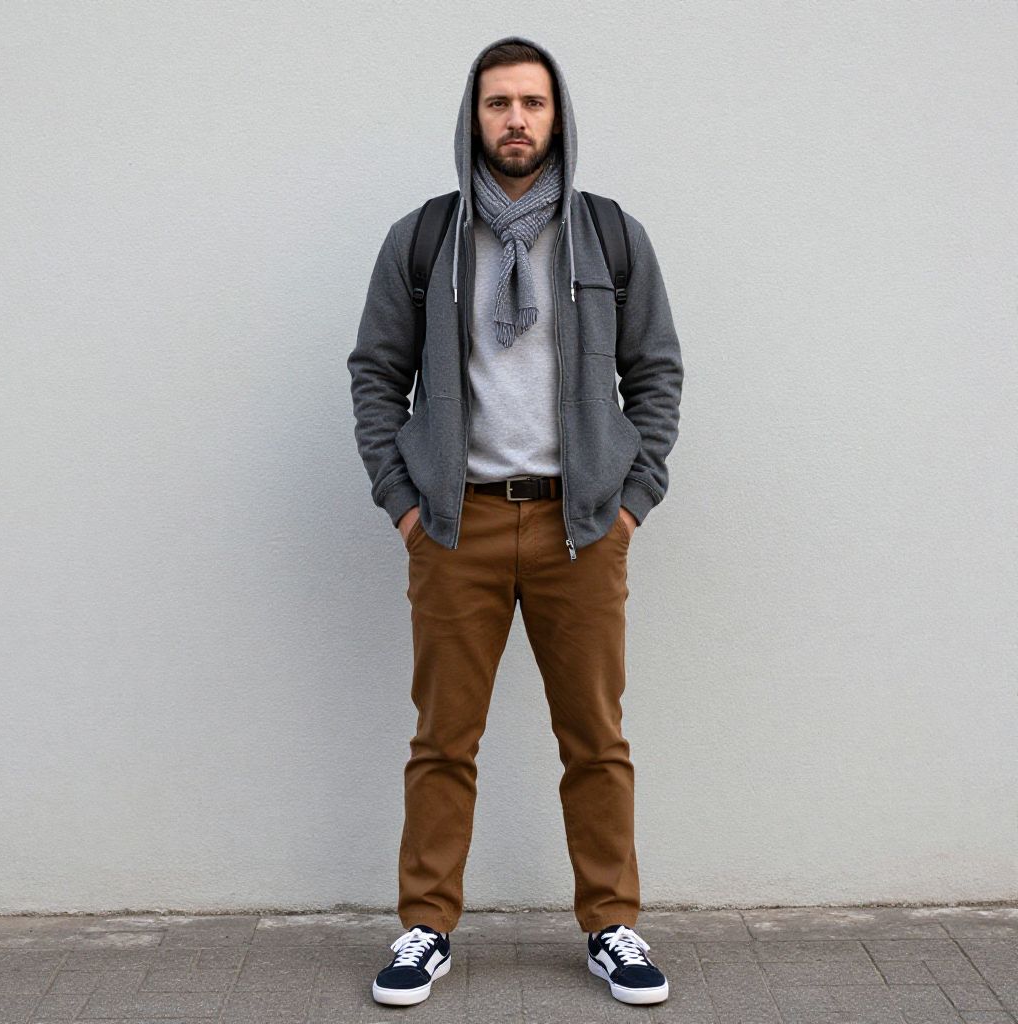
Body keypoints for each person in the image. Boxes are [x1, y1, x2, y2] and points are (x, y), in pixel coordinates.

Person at [347, 35, 683, 1007]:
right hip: (458, 529)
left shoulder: (608, 236)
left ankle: (612, 923)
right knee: (443, 739)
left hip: (581, 528)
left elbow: (654, 371)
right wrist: (404, 503)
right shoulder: (425, 239)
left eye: (532, 103)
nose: (516, 120)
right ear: (474, 117)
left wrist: (631, 500)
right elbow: (376, 373)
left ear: (557, 116)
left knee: (595, 737)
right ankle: (425, 926)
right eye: (498, 103)